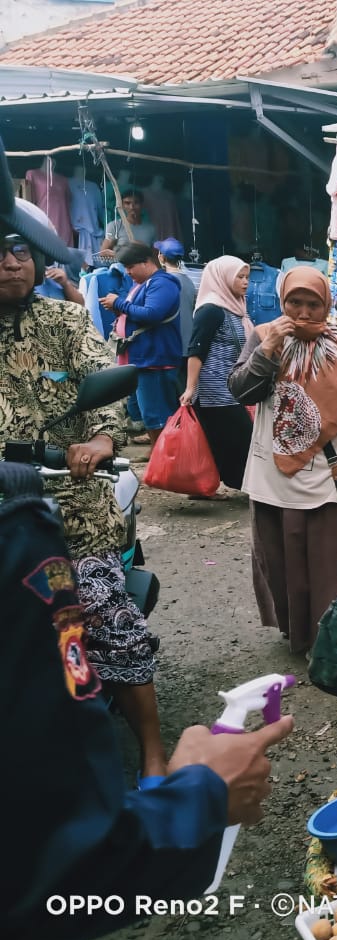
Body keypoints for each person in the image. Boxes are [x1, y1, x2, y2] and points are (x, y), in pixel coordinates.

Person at [0, 466, 293, 940]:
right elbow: (46, 859)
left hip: (80, 525)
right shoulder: (18, 547)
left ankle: (150, 752)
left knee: (118, 627)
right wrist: (198, 797)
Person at [0, 196, 171, 787]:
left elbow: (110, 379)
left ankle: (152, 753)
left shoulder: (66, 321)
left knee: (103, 615)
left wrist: (99, 441)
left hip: (67, 509)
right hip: (3, 512)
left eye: (20, 250)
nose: (10, 262)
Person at [229, 266, 337, 655]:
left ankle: (327, 639)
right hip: (272, 473)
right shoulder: (263, 338)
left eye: (314, 304)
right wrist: (268, 350)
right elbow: (242, 390)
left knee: (326, 560)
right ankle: (294, 629)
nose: (304, 313)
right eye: (295, 302)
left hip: (326, 475)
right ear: (283, 302)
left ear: (327, 306)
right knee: (278, 556)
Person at [99, 241, 184, 445]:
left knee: (157, 417)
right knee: (150, 417)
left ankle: (163, 461)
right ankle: (158, 458)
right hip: (144, 359)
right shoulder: (144, 284)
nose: (127, 272)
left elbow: (153, 314)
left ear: (146, 262)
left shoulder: (162, 283)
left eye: (130, 267)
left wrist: (119, 303)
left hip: (155, 360)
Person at [180, 255, 253, 493]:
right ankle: (250, 486)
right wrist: (190, 388)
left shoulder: (234, 307)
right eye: (239, 277)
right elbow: (196, 350)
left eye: (246, 277)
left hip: (232, 388)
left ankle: (215, 486)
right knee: (241, 439)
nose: (245, 282)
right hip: (214, 391)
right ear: (222, 278)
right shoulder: (210, 310)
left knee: (228, 441)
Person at [156, 237, 197, 356]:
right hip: (188, 343)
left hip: (171, 346)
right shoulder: (189, 281)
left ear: (162, 258)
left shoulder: (164, 281)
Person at [100, 189, 156, 254]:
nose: (132, 207)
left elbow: (155, 254)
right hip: (122, 263)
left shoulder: (151, 228)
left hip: (145, 263)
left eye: (136, 203)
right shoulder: (115, 226)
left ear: (142, 205)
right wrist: (124, 254)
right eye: (127, 203)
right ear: (122, 205)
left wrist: (143, 248)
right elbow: (103, 252)